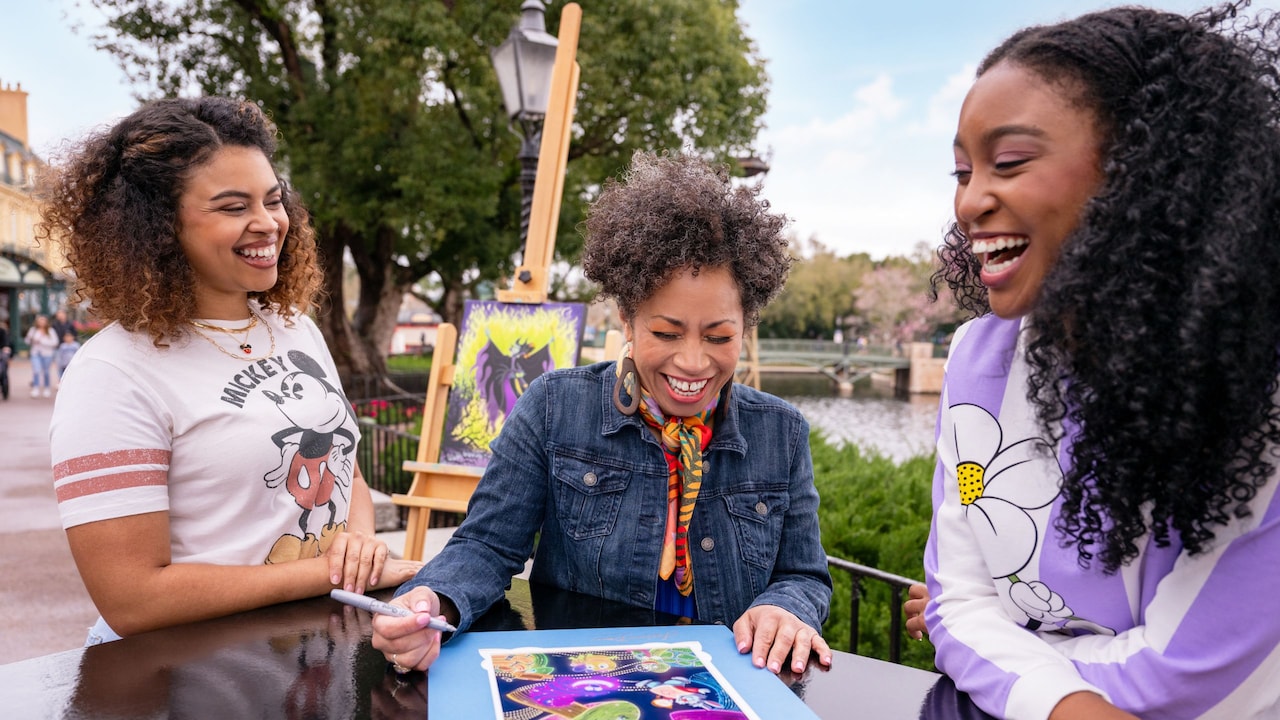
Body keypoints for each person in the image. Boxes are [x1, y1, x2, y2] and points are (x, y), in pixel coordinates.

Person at [922, 5, 1280, 719]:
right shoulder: (973, 360)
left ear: (1141, 172)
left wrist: (1004, 657)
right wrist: (1054, 697)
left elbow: (1183, 676)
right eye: (963, 170)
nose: (970, 201)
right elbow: (957, 600)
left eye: (1009, 162)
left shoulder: (1253, 393)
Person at [371, 152, 833, 676]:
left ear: (745, 325)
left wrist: (786, 609)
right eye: (665, 332)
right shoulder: (552, 407)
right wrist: (434, 601)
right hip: (581, 686)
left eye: (719, 336)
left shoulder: (783, 432)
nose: (692, 361)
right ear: (626, 318)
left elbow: (804, 574)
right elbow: (486, 545)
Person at [38, 96, 422, 643]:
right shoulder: (112, 373)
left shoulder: (295, 329)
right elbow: (131, 598)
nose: (268, 224)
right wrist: (327, 573)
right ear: (159, 226)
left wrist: (358, 545)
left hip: (311, 655)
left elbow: (346, 469)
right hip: (193, 675)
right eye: (232, 207)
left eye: (273, 200)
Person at [23, 314, 58, 398]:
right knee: (36, 370)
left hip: (47, 354)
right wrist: (31, 338)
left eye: (43, 321)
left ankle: (46, 388)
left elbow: (55, 342)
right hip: (35, 353)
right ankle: (36, 388)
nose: (42, 322)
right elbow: (27, 341)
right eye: (40, 321)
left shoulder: (51, 331)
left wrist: (42, 341)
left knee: (46, 372)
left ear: (46, 322)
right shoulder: (33, 330)